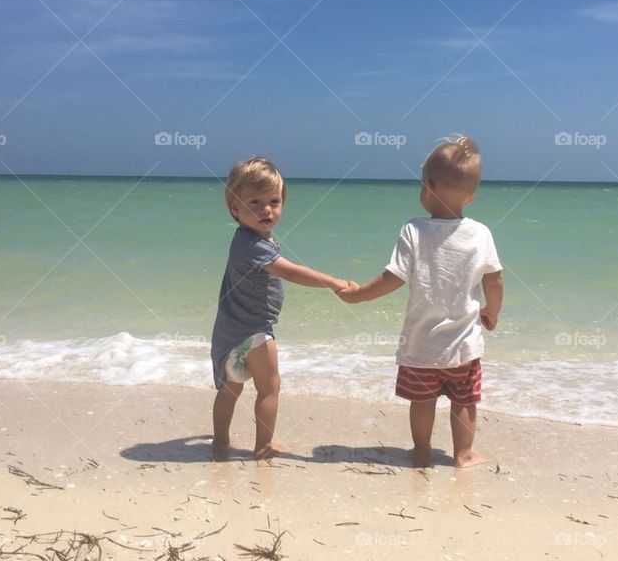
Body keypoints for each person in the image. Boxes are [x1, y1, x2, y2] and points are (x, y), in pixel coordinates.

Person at [338, 135, 503, 467]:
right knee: (464, 402)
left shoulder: (413, 230)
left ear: (427, 188)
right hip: (463, 347)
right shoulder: (481, 233)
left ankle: (422, 450)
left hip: (420, 346)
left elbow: (392, 279)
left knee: (422, 401)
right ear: (471, 197)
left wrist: (357, 295)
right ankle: (463, 454)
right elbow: (494, 279)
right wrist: (491, 311)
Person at [211, 156, 351, 459]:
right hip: (255, 331)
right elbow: (289, 271)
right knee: (269, 389)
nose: (267, 209)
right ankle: (263, 445)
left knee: (230, 390)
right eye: (255, 202)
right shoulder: (255, 245)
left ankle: (220, 441)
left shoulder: (246, 239)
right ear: (235, 208)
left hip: (228, 333)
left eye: (274, 201)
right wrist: (333, 282)